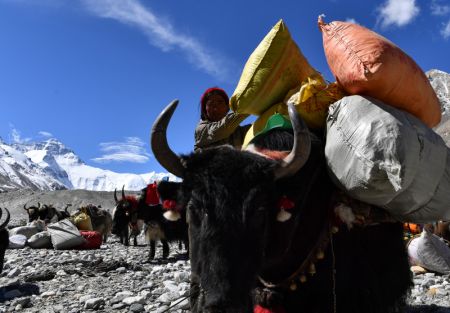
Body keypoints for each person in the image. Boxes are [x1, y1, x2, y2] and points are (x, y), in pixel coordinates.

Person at [194, 87, 250, 151]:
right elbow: (221, 129)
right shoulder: (201, 129)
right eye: (210, 104)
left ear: (227, 107)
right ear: (205, 110)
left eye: (220, 102)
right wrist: (248, 106)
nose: (216, 108)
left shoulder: (238, 131)